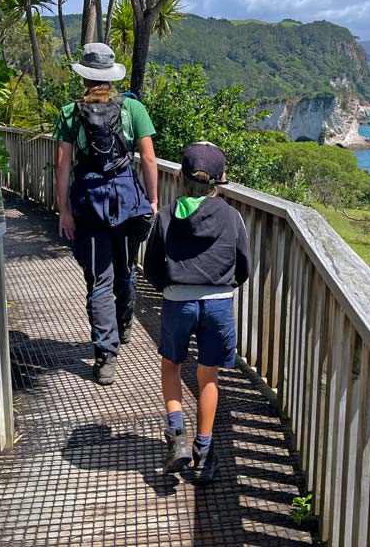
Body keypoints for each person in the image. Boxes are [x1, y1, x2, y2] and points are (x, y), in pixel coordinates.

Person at [143, 142, 250, 484]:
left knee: (171, 366)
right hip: (218, 303)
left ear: (181, 177)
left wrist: (170, 288)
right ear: (220, 181)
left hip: (178, 302)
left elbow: (152, 265)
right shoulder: (232, 217)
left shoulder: (166, 215)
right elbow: (243, 265)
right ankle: (203, 452)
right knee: (209, 377)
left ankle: (177, 438)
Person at [54, 42, 158, 386]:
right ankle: (125, 324)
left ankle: (105, 355)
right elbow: (149, 159)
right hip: (127, 201)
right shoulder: (132, 108)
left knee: (99, 279)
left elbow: (63, 165)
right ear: (111, 77)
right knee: (125, 267)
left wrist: (65, 210)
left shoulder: (70, 113)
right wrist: (152, 201)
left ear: (83, 75)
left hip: (89, 203)